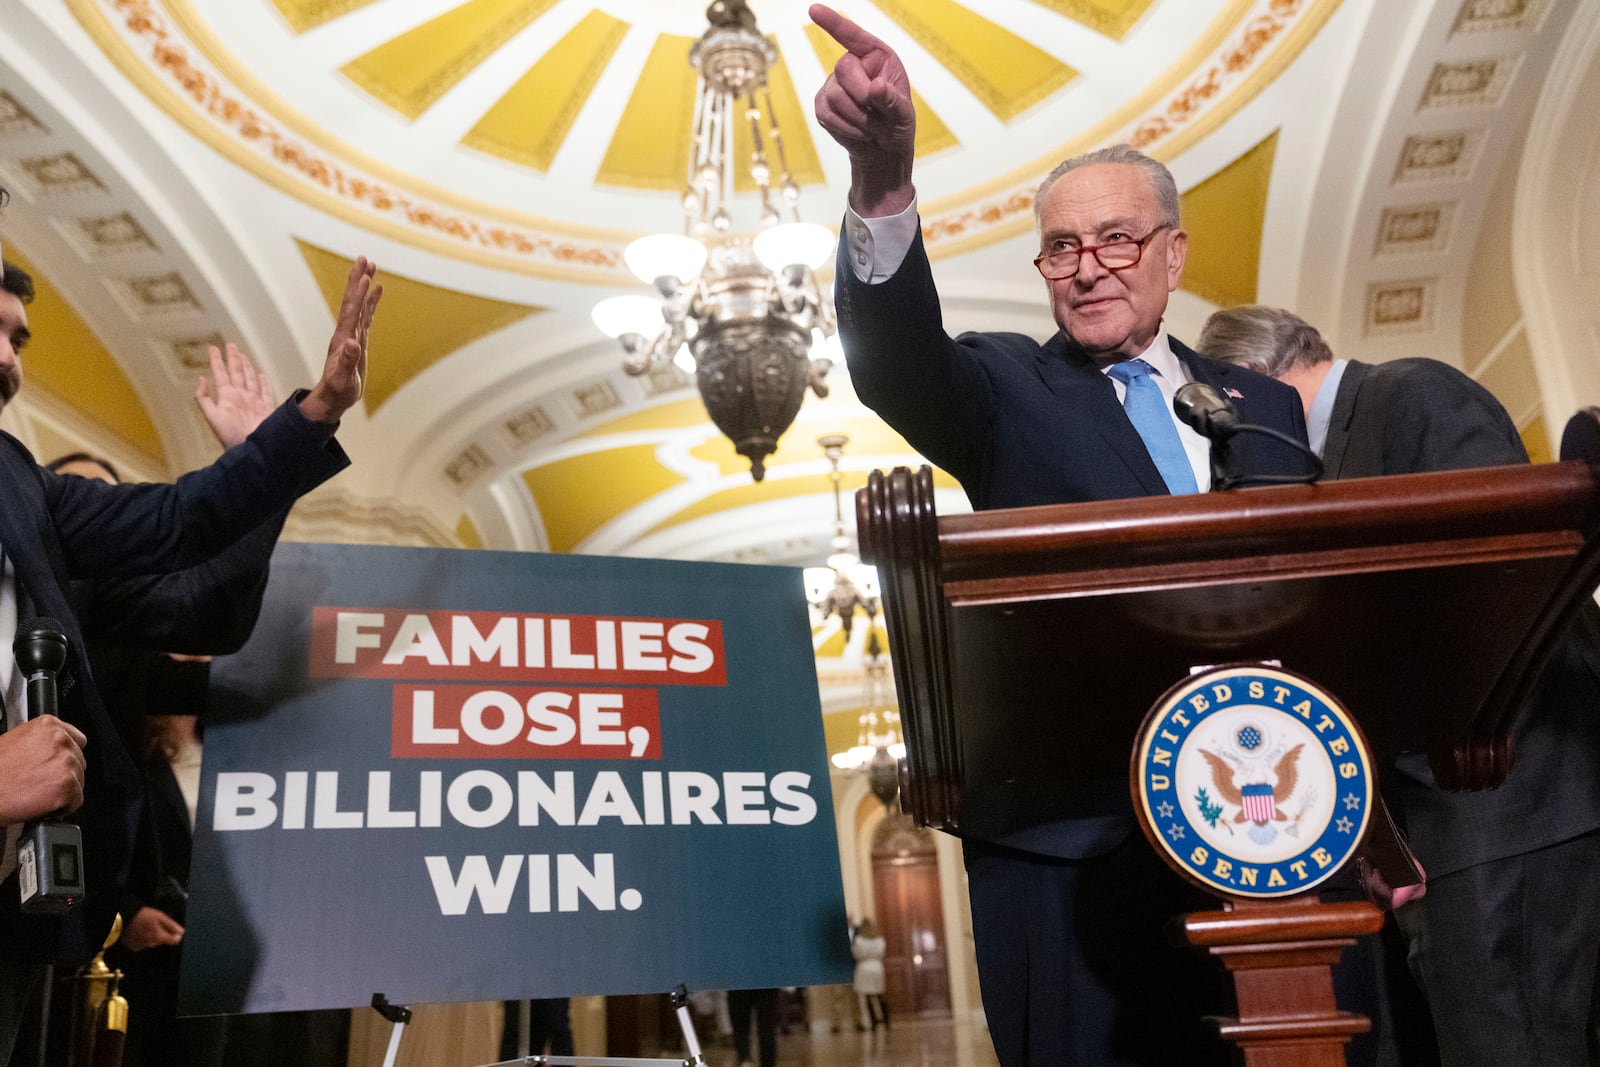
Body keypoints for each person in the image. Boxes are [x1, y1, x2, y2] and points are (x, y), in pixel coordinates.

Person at [809, 8, 1311, 1064]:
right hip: (1068, 846)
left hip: (1272, 827)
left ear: (1172, 254)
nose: (1087, 268)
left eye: (1116, 239)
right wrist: (883, 188)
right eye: (1061, 248)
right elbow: (896, 360)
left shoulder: (1262, 402)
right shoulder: (1004, 386)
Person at [0, 192, 382, 1064]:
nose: (9, 360)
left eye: (20, 337)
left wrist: (306, 418)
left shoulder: (20, 486)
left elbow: (185, 535)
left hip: (26, 923)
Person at [1200, 303, 1600, 1066]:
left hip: (1511, 807)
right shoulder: (1327, 457)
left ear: (1245, 384)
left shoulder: (1410, 394)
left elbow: (1499, 587)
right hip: (1451, 822)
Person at [850, 918, 887, 1031]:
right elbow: (882, 953)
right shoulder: (880, 941)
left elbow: (856, 954)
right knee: (877, 995)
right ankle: (883, 1019)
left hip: (864, 968)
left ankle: (868, 1022)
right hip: (877, 967)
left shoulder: (859, 941)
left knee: (864, 998)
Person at [725, 987, 778, 1067]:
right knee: (766, 1027)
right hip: (765, 982)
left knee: (742, 1026)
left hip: (740, 982)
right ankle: (745, 1059)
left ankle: (744, 1060)